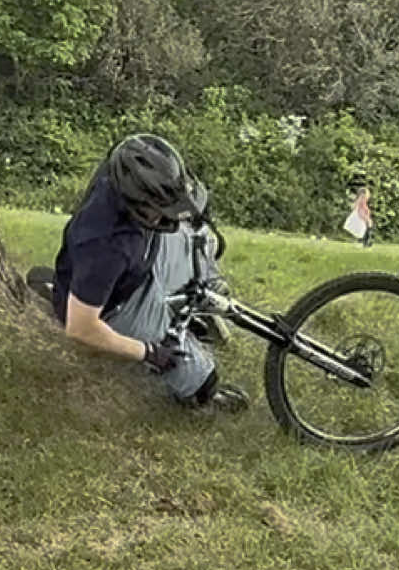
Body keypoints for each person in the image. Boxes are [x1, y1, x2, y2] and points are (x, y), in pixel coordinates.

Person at [33, 133, 248, 414]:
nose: (164, 216)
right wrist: (148, 352)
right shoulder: (104, 245)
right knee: (201, 382)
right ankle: (201, 390)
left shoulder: (123, 166)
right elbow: (81, 328)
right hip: (120, 306)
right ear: (133, 201)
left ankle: (193, 304)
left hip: (143, 255)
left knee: (203, 240)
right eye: (157, 210)